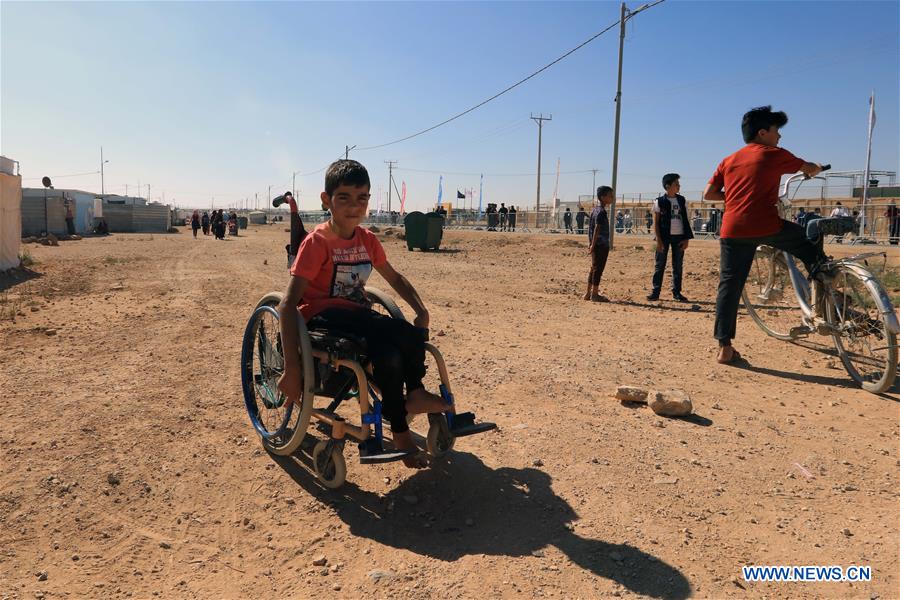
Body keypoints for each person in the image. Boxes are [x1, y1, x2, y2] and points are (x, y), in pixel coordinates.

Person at [277, 160, 464, 468]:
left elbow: (394, 278)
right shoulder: (317, 243)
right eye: (344, 198)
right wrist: (292, 368)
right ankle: (410, 406)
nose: (354, 206)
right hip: (321, 317)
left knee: (391, 352)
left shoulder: (367, 240)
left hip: (356, 316)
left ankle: (404, 420)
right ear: (327, 201)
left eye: (361, 198)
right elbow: (287, 305)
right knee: (399, 332)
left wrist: (421, 309)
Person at [704, 105, 825, 365]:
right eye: (776, 131)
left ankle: (724, 347)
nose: (779, 137)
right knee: (809, 243)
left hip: (732, 229)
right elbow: (807, 167)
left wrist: (734, 197)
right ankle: (828, 290)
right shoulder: (773, 154)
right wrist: (814, 167)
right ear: (762, 133)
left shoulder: (728, 160)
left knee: (730, 284)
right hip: (766, 225)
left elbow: (709, 194)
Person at [648, 173, 693, 302]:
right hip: (664, 238)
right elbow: (656, 222)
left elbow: (686, 220)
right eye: (676, 184)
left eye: (679, 184)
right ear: (668, 186)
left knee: (677, 265)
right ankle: (655, 292)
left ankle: (677, 292)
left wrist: (686, 238)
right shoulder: (659, 201)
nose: (679, 186)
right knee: (659, 265)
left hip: (679, 237)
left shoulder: (682, 200)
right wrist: (659, 240)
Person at [584, 186, 613, 302]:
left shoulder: (595, 210)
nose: (612, 198)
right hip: (600, 245)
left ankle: (588, 293)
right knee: (598, 269)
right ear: (603, 197)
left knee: (594, 268)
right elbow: (596, 228)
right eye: (610, 196)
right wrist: (593, 244)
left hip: (596, 244)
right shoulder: (601, 212)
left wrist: (590, 243)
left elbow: (590, 228)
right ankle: (594, 294)